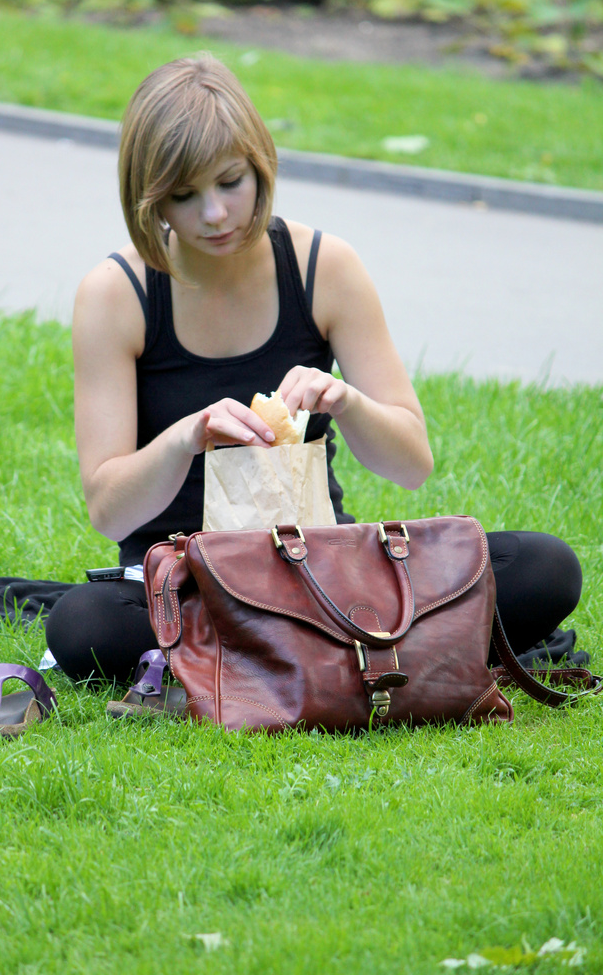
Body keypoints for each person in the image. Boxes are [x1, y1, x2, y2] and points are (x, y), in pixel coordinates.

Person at [44, 54, 583, 684]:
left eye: (230, 182)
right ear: (149, 198)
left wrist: (345, 402)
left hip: (319, 568)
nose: (215, 214)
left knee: (545, 567)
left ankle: (255, 658)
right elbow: (110, 511)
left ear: (260, 165)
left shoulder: (323, 266)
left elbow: (411, 464)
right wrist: (186, 438)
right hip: (187, 583)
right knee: (83, 625)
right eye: (184, 196)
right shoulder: (116, 294)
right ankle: (365, 649)